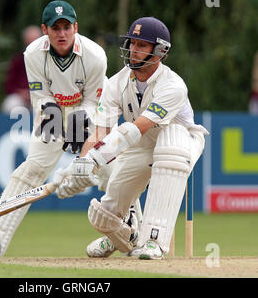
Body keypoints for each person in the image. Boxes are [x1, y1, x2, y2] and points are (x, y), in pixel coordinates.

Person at [53, 16, 209, 260]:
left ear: (160, 51)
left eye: (142, 45)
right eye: (132, 43)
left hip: (182, 140)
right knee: (105, 213)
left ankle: (155, 241)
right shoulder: (116, 83)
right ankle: (124, 235)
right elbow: (100, 131)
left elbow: (138, 127)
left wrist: (94, 158)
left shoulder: (173, 86)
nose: (133, 50)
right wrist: (81, 163)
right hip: (142, 146)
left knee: (171, 145)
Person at [0, 0, 110, 257]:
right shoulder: (33, 53)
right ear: (44, 29)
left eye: (66, 27)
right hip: (52, 112)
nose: (61, 34)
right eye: (55, 28)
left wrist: (80, 123)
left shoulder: (95, 55)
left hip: (92, 112)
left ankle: (130, 230)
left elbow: (94, 100)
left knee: (111, 168)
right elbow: (40, 97)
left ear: (75, 28)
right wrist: (54, 118)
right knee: (32, 170)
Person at [0, 26, 42, 113]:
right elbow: (9, 84)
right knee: (10, 104)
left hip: (41, 97)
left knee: (46, 108)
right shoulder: (18, 61)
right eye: (30, 41)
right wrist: (21, 92)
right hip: (21, 97)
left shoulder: (49, 61)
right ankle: (10, 126)